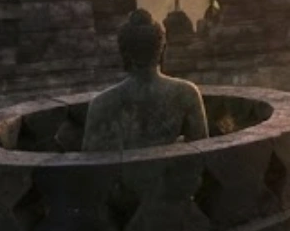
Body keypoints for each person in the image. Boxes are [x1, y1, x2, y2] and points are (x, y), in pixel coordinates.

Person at [83, 9, 209, 151]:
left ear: (124, 53)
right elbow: (201, 151)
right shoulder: (187, 93)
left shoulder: (101, 104)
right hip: (173, 172)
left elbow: (91, 164)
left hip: (124, 173)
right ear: (162, 49)